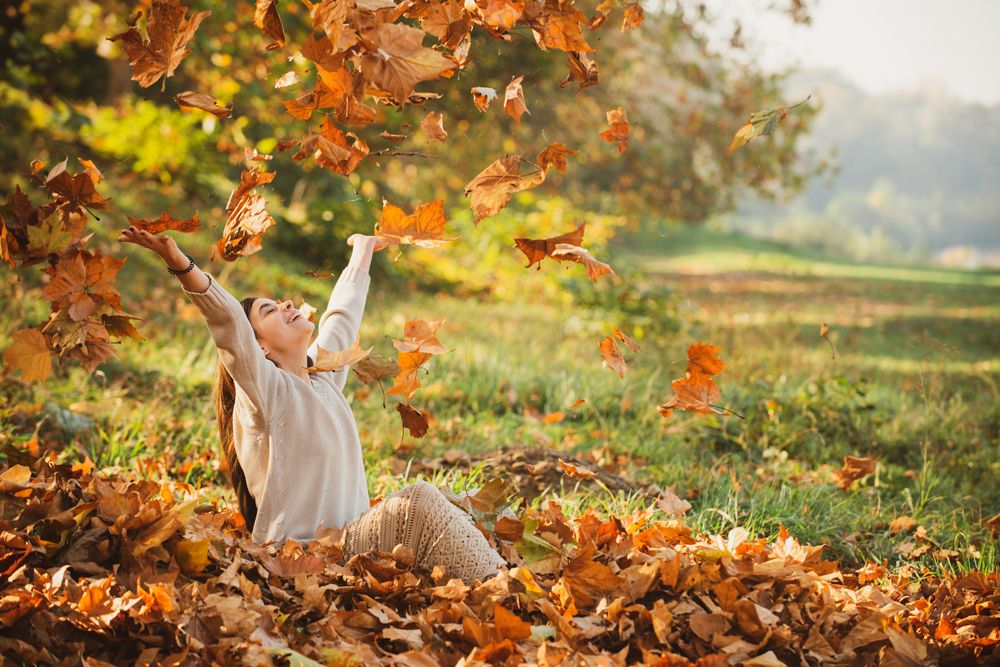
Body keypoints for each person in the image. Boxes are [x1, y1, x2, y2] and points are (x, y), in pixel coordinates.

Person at [118, 224, 507, 583]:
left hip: (352, 544)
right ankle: (505, 590)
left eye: (281, 303)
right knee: (419, 500)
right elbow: (229, 323)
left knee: (461, 503)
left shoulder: (324, 378)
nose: (287, 305)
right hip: (303, 557)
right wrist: (180, 263)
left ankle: (498, 580)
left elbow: (342, 318)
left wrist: (363, 251)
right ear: (260, 348)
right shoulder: (266, 394)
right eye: (270, 310)